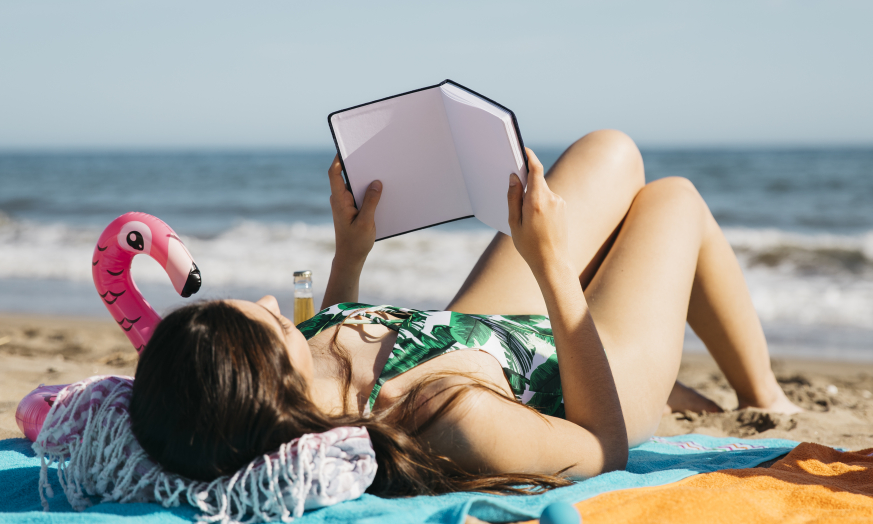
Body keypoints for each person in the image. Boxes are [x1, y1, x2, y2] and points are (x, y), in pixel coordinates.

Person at [130, 130, 801, 497]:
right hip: (593, 381)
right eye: (271, 322)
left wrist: (351, 252)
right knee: (672, 201)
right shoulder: (450, 417)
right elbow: (605, 450)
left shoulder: (303, 380)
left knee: (610, 151)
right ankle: (762, 395)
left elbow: (334, 352)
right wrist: (551, 265)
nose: (279, 305)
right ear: (274, 380)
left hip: (478, 336)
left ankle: (685, 367)